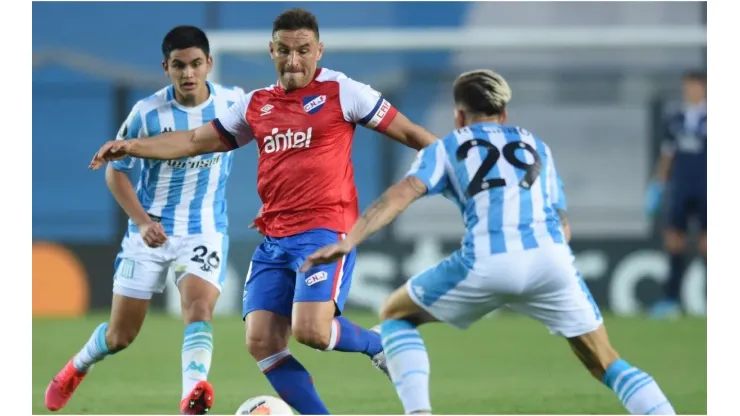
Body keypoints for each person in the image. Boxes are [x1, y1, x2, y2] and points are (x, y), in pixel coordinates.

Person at [89, 8, 438, 415]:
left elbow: (414, 134)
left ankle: (380, 344)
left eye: (303, 51)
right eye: (285, 51)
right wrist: (132, 146)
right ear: (271, 50)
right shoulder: (256, 104)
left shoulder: (345, 92)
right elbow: (194, 141)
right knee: (261, 341)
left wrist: (458, 164)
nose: (294, 61)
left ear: (319, 50)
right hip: (274, 239)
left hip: (326, 231)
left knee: (311, 331)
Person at [301, 69, 677, 415]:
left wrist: (350, 240)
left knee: (396, 315)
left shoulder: (448, 147)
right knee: (606, 362)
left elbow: (399, 196)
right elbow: (562, 224)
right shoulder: (536, 146)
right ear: (504, 114)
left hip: (488, 261)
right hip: (552, 262)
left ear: (458, 116)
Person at [45, 26, 245, 415]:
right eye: (178, 65)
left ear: (210, 64)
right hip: (151, 231)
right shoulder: (147, 113)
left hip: (204, 228)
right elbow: (116, 172)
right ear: (165, 67)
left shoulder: (234, 104)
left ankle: (192, 396)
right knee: (121, 335)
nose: (188, 73)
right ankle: (75, 368)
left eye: (196, 64)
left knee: (199, 307)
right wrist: (140, 222)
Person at [645, 70, 707, 319]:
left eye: (694, 86)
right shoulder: (675, 118)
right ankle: (670, 301)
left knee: (708, 244)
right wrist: (657, 187)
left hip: (707, 187)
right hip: (680, 187)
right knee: (674, 241)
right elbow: (667, 154)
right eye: (687, 87)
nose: (690, 91)